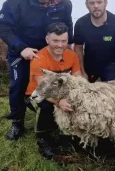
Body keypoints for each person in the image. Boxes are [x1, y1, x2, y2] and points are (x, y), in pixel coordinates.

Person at [0, 0, 74, 141]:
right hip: (22, 51)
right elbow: (2, 27)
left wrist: (67, 47)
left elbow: (68, 25)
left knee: (55, 85)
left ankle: (53, 117)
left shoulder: (64, 3)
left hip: (50, 52)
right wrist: (21, 47)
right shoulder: (15, 2)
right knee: (19, 85)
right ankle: (17, 121)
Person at [25, 22, 81, 160]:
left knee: (77, 103)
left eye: (64, 41)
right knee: (46, 107)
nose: (60, 45)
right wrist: (58, 101)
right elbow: (43, 89)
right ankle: (42, 138)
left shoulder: (72, 56)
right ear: (47, 39)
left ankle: (67, 134)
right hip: (38, 94)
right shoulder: (39, 59)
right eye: (55, 40)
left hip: (62, 91)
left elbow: (78, 78)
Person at [74, 0, 115, 92]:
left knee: (110, 95)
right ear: (86, 5)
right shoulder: (80, 24)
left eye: (99, 2)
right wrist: (82, 72)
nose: (96, 6)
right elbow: (78, 48)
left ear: (105, 3)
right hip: (90, 64)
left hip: (111, 65)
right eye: (92, 3)